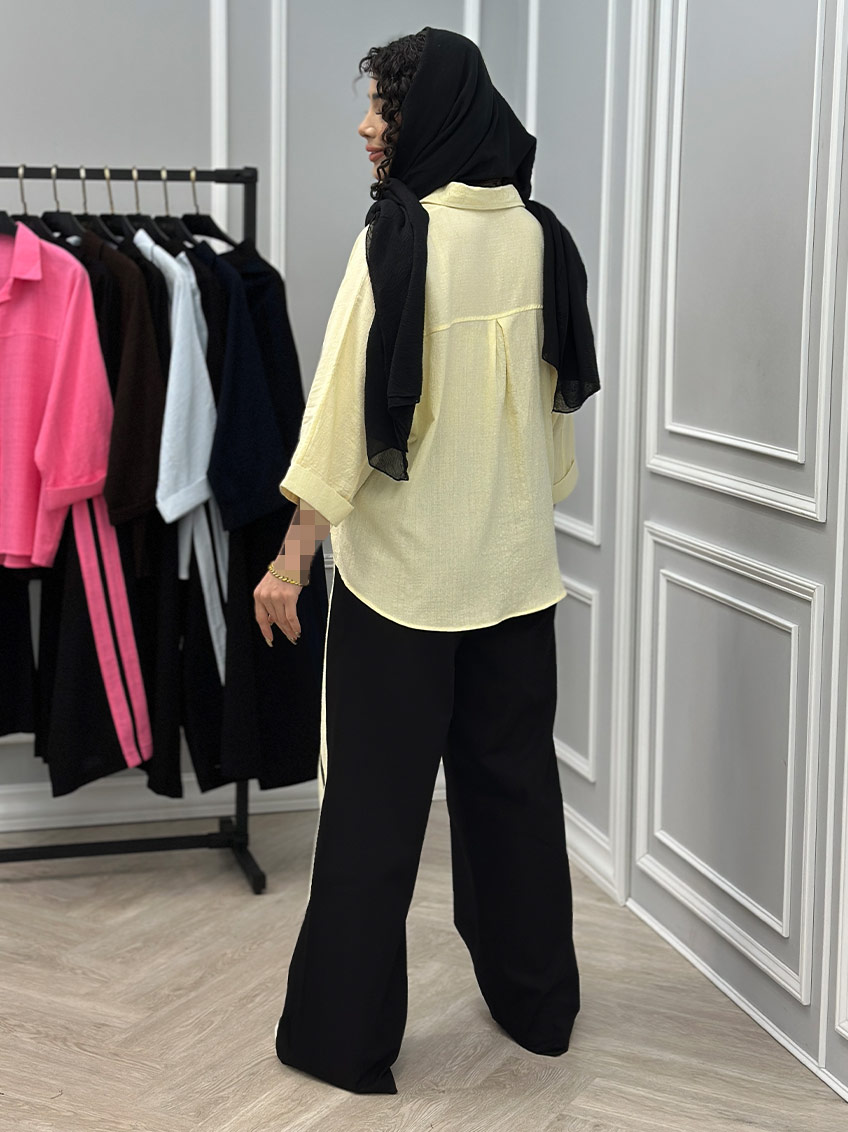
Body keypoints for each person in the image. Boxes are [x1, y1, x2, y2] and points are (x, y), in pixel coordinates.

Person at [253, 26, 600, 1095]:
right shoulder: (540, 235)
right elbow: (553, 425)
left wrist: (289, 556)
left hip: (401, 586)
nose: (367, 126)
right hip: (515, 579)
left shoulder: (397, 238)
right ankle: (537, 1007)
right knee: (514, 797)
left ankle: (344, 1039)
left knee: (372, 812)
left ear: (433, 116)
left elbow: (339, 419)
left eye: (387, 107)